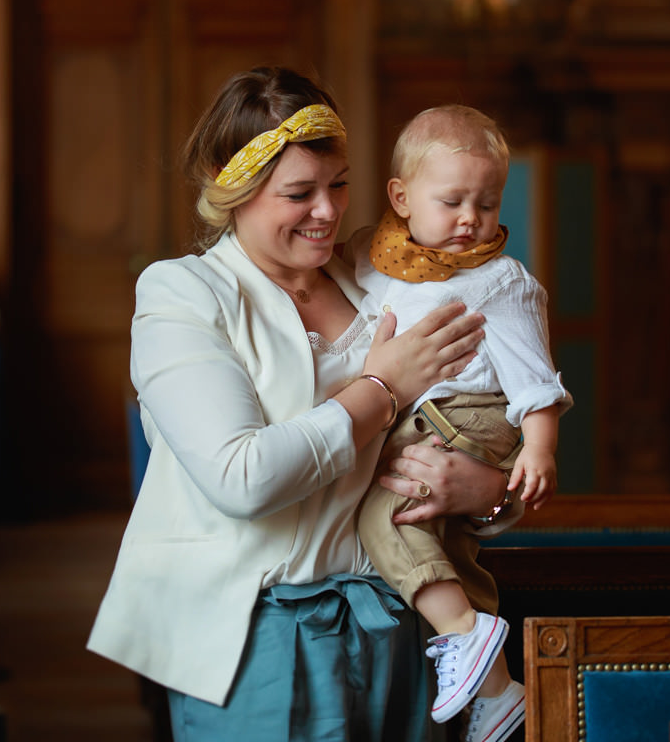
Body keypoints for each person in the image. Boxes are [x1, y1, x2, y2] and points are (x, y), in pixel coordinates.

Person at [86, 67, 521, 742]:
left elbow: (482, 421)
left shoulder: (382, 283)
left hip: (401, 615)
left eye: (339, 183)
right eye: (299, 193)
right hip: (255, 631)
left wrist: (489, 491)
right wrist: (382, 390)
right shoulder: (185, 295)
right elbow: (244, 476)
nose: (328, 210)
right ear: (238, 190)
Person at [353, 104, 570, 742]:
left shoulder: (500, 281)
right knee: (441, 542)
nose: (471, 219)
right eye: (451, 201)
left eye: (488, 202)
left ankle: (467, 635)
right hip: (426, 419)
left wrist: (540, 448)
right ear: (400, 198)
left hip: (466, 420)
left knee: (384, 514)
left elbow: (535, 376)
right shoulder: (380, 260)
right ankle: (496, 690)